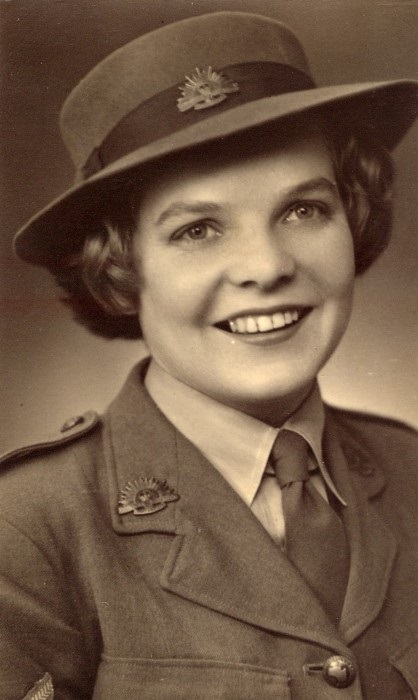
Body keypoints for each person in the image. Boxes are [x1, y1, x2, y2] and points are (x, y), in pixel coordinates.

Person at [1, 10, 417, 700]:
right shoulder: (28, 531)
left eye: (303, 210)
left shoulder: (411, 472)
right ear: (121, 269)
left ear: (354, 217)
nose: (266, 266)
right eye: (198, 229)